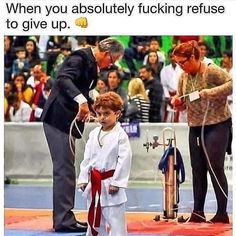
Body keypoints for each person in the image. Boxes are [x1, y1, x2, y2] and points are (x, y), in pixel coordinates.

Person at [40, 38, 124, 233]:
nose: (111, 65)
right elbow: (63, 79)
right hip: (58, 119)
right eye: (112, 60)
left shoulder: (91, 63)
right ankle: (62, 220)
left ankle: (65, 217)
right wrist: (82, 102)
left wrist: (93, 102)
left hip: (67, 121)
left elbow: (83, 87)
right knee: (64, 170)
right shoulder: (80, 57)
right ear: (105, 53)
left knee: (67, 169)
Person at [171, 40, 232, 223]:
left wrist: (210, 92)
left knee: (215, 167)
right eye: (177, 63)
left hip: (217, 124)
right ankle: (198, 212)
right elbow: (183, 102)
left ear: (193, 57)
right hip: (195, 126)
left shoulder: (211, 70)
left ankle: (222, 213)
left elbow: (231, 85)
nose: (181, 67)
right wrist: (178, 102)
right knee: (197, 169)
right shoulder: (183, 77)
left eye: (183, 62)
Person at [78, 92, 132, 236]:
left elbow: (124, 159)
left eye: (106, 113)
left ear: (118, 113)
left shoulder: (121, 135)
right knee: (94, 219)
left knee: (116, 222)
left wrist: (117, 182)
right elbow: (87, 158)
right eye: (99, 113)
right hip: (94, 182)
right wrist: (83, 178)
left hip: (111, 184)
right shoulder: (94, 133)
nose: (102, 117)